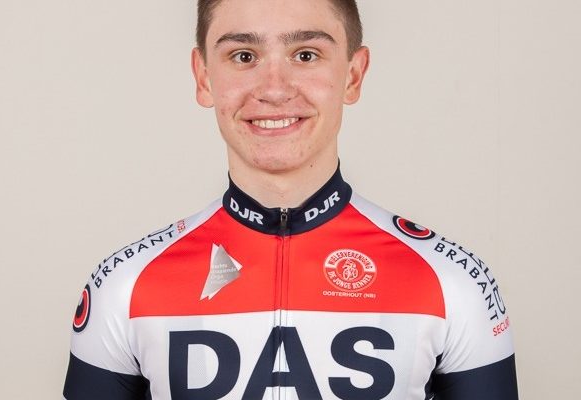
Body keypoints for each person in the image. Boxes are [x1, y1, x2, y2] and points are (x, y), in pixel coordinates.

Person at [63, 0, 518, 399]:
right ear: (204, 78)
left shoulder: (453, 283)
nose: (275, 88)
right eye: (244, 56)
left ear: (353, 75)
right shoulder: (124, 287)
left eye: (306, 55)